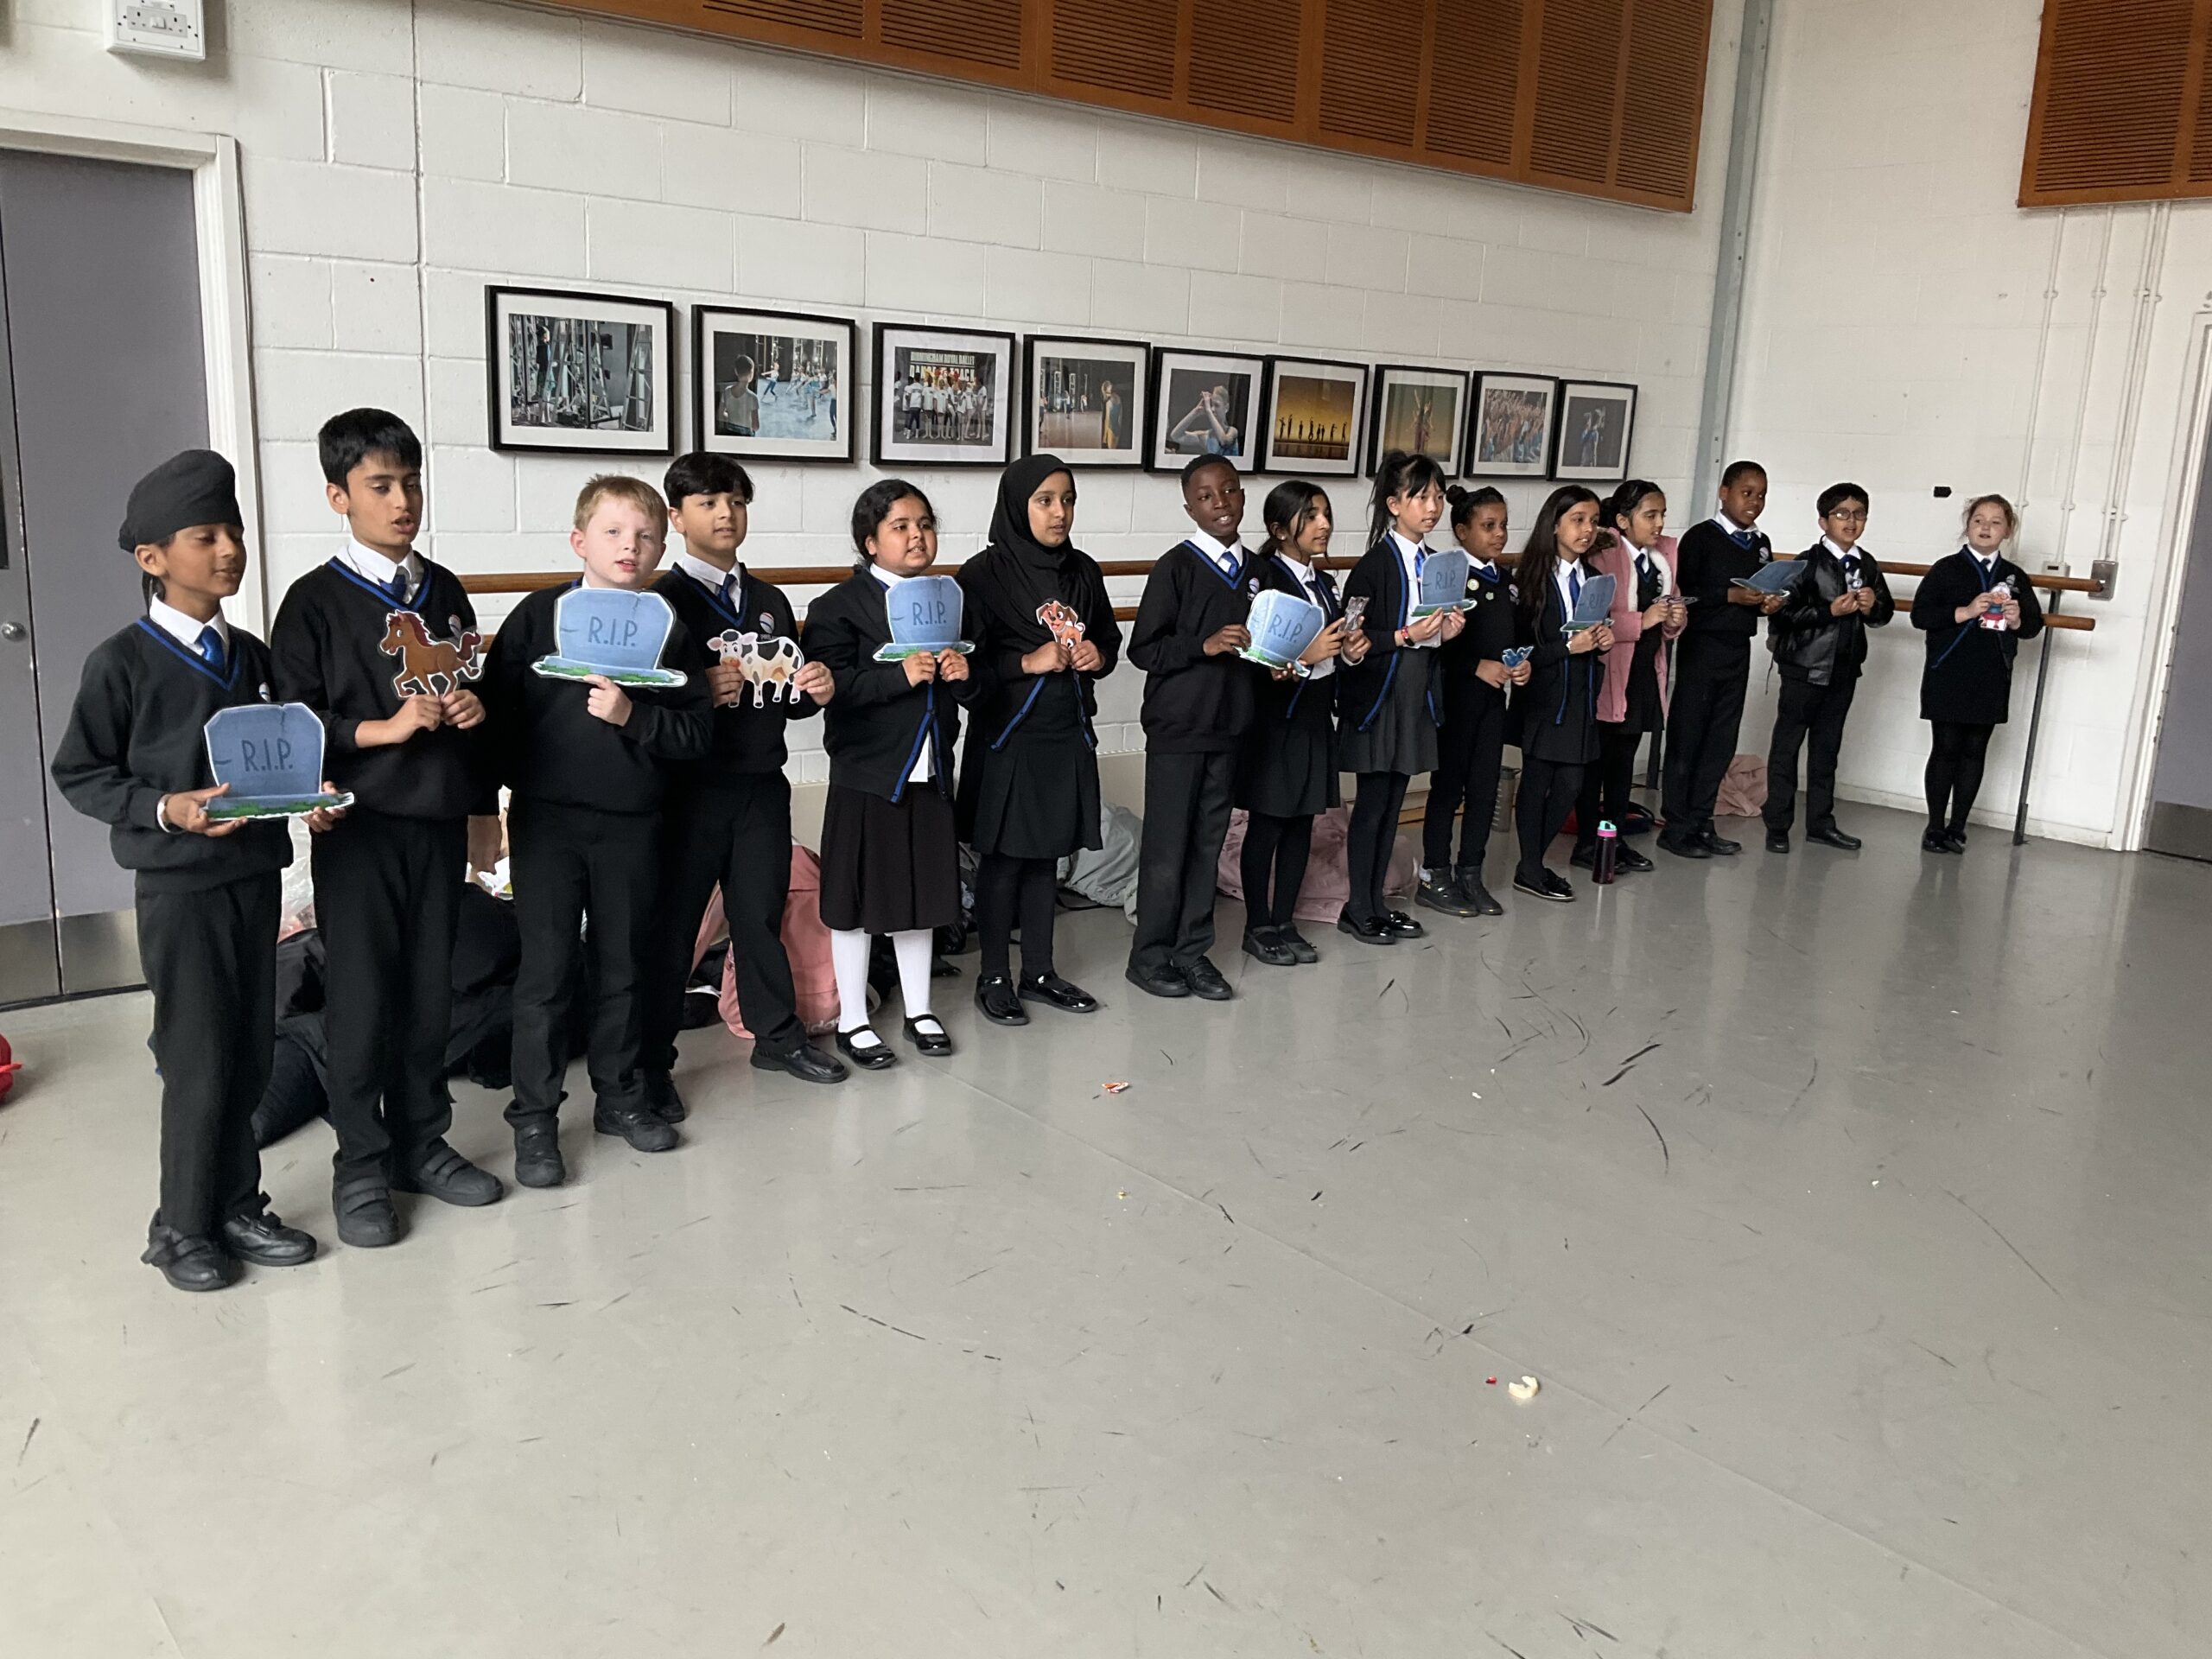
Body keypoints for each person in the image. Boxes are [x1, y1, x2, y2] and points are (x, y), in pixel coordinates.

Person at [49, 450, 327, 1291]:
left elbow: (275, 760)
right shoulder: (121, 664)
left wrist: (308, 798)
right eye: (204, 536)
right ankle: (180, 1225)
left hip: (252, 878)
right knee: (197, 1057)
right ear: (153, 557)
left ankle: (237, 1204)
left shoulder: (252, 658)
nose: (229, 549)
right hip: (180, 890)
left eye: (232, 531)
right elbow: (81, 773)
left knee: (247, 1054)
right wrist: (164, 807)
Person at [270, 409, 505, 1249]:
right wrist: (383, 730)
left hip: (437, 822)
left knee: (430, 992)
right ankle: (361, 1165)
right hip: (359, 832)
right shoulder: (312, 603)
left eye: (410, 483)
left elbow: (471, 688)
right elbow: (295, 724)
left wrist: (479, 784)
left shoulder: (442, 589)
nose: (401, 501)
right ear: (338, 496)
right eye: (379, 486)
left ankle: (420, 1142)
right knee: (363, 1000)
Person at [478, 476, 711, 1187]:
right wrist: (487, 806)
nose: (629, 547)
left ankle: (620, 1097)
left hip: (635, 826)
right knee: (547, 974)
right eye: (613, 532)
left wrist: (633, 718)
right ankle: (535, 1119)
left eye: (644, 536)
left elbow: (696, 734)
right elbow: (495, 719)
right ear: (580, 541)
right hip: (548, 824)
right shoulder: (537, 617)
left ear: (661, 548)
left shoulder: (670, 629)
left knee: (624, 965)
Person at [644, 454, 846, 1109]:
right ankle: (650, 1063)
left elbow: (784, 696)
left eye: (735, 500)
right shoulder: (659, 602)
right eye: (706, 502)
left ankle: (777, 1036)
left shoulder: (769, 601)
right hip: (689, 790)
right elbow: (642, 701)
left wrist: (814, 690)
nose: (725, 514)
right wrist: (697, 690)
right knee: (675, 926)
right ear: (676, 518)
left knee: (760, 914)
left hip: (761, 782)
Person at [804, 481, 976, 1065]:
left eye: (925, 524)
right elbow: (832, 687)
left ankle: (920, 1009)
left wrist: (964, 677)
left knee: (921, 895)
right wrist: (897, 678)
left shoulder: (949, 600)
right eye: (900, 526)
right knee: (853, 900)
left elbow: (975, 684)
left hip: (931, 767)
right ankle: (853, 1019)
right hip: (868, 773)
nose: (917, 536)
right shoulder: (837, 606)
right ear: (870, 542)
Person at [957, 455, 1122, 1022]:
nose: (1060, 513)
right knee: (1004, 860)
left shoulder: (1083, 571)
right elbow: (967, 666)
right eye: (1045, 501)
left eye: (1068, 500)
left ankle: (1040, 971)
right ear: (1016, 505)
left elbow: (1108, 640)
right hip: (1009, 736)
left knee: (1047, 856)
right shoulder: (983, 575)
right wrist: (1027, 661)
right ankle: (994, 975)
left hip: (1066, 732)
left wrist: (1098, 656)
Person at [1125, 456, 1256, 1000]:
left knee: (1208, 847)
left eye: (1229, 490)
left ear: (1242, 495)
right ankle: (1150, 956)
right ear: (1189, 508)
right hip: (1178, 730)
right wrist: (1203, 645)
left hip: (1229, 729)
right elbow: (1143, 649)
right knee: (1167, 850)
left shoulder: (1259, 572)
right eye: (1205, 496)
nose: (1220, 503)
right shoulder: (1175, 567)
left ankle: (1192, 952)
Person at [1335, 451, 1465, 943]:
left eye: (1438, 497)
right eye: (1421, 497)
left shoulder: (1438, 563)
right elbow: (1353, 636)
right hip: (1380, 695)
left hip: (1417, 692)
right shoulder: (1373, 566)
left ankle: (1377, 904)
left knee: (1395, 803)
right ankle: (1357, 906)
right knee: (1372, 803)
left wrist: (1447, 632)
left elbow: (1433, 632)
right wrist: (1406, 636)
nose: (1433, 507)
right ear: (1394, 504)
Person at [1236, 480, 1367, 966]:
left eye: (1325, 514)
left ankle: (1285, 921)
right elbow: (1254, 660)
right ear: (1278, 529)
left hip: (1314, 716)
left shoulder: (1325, 583)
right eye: (1310, 516)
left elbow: (1332, 656)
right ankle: (1257, 924)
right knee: (1268, 824)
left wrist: (1350, 652)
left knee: (1301, 825)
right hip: (1276, 720)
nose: (1324, 525)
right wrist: (1306, 656)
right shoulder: (1264, 579)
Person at [1662, 460, 1786, 859]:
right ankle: (1676, 824)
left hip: (1737, 648)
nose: (1755, 502)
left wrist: (1767, 604)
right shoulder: (1700, 538)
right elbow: (1685, 594)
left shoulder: (1760, 542)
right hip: (1702, 647)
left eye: (1762, 495)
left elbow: (1761, 589)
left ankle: (1703, 820)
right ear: (1724, 493)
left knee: (1720, 740)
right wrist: (1729, 596)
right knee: (1689, 737)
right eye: (1747, 493)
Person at [1762, 482, 1895, 854]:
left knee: (1827, 750)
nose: (1851, 522)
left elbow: (1882, 615)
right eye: (1841, 514)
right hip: (1804, 668)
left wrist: (1872, 606)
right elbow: (1782, 616)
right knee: (1787, 747)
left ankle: (1820, 823)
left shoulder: (1867, 564)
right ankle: (1777, 825)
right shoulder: (1805, 563)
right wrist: (1828, 611)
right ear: (1823, 521)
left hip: (1844, 668)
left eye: (1859, 514)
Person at [1913, 493, 2044, 854]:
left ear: (2008, 531)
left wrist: (2016, 620)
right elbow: (1921, 615)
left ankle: (1958, 827)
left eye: (1995, 522)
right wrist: (1966, 611)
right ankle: (1935, 827)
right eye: (1978, 520)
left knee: (1975, 750)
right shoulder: (1946, 569)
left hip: (1991, 674)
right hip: (1948, 670)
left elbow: (2033, 626)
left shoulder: (2014, 576)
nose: (1986, 527)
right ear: (1967, 526)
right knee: (1945, 748)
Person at [1420, 485, 1526, 917]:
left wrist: (1521, 665)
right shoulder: (1450, 577)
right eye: (1488, 526)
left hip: (1492, 702)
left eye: (1503, 525)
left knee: (1484, 788)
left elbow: (1514, 636)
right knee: (1448, 787)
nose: (1499, 534)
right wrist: (1474, 666)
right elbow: (1434, 646)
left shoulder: (1506, 580)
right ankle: (1435, 872)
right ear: (1462, 531)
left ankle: (1470, 872)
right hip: (1456, 699)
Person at [1571, 480, 1686, 874]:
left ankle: (1614, 838)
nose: (1659, 524)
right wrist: (1642, 620)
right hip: (1610, 673)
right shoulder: (1604, 555)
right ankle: (1589, 842)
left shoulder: (1662, 557)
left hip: (1643, 673)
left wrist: (1673, 619)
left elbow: (1671, 614)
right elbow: (1593, 618)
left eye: (1662, 515)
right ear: (1623, 520)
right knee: (1596, 764)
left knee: (1623, 766)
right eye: (1650, 515)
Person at [1512, 486, 1611, 900]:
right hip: (1544, 696)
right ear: (1554, 525)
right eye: (1578, 520)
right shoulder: (1531, 579)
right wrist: (1568, 648)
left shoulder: (1594, 579)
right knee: (1537, 782)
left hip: (1580, 697)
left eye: (1593, 522)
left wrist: (1602, 640)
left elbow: (1594, 633)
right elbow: (1521, 649)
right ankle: (1531, 867)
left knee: (1572, 783)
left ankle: (1531, 864)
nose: (1587, 530)